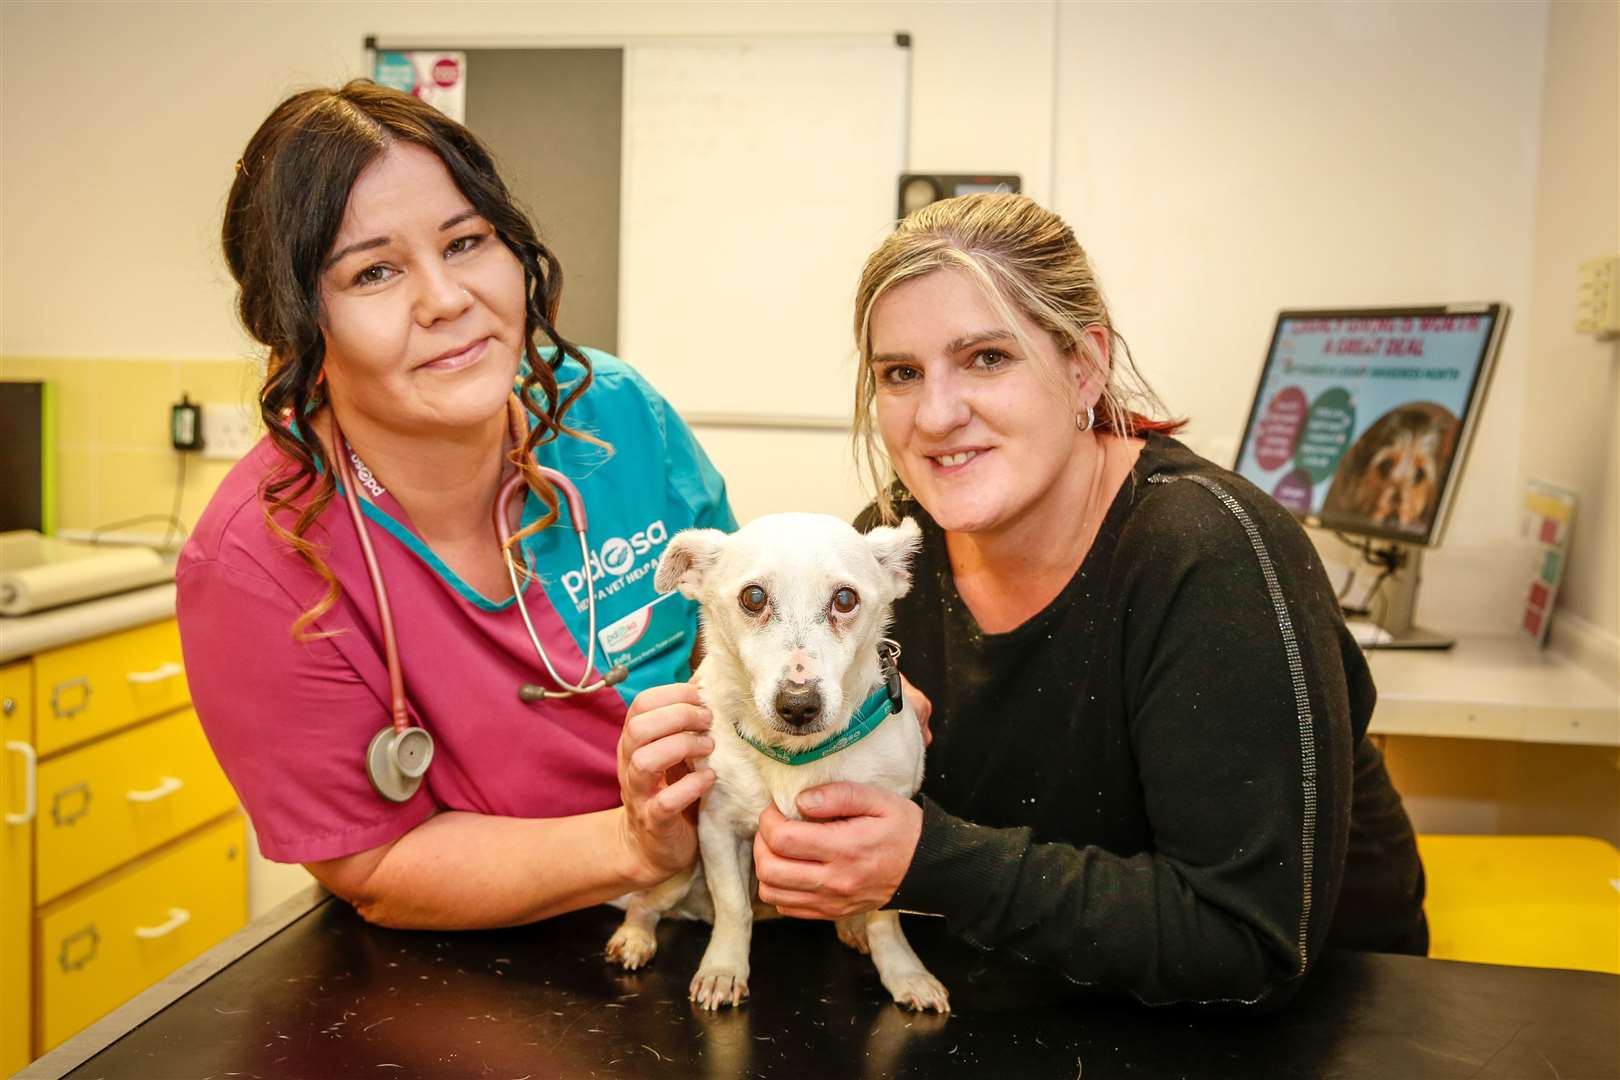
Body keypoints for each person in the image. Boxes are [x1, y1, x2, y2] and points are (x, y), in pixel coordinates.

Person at [750, 193, 1427, 1009]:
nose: (935, 415)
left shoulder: (1211, 556)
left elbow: (1251, 942)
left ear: (1084, 365)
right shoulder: (890, 550)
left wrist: (928, 863)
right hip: (1024, 995)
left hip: (1309, 1022)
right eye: (901, 374)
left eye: (986, 358)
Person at [177, 82, 732, 929]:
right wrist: (636, 846)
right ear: (297, 329)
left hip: (730, 901)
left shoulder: (615, 415)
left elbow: (737, 635)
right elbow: (376, 865)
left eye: (466, 241)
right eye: (374, 271)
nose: (444, 299)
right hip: (482, 967)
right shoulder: (259, 560)